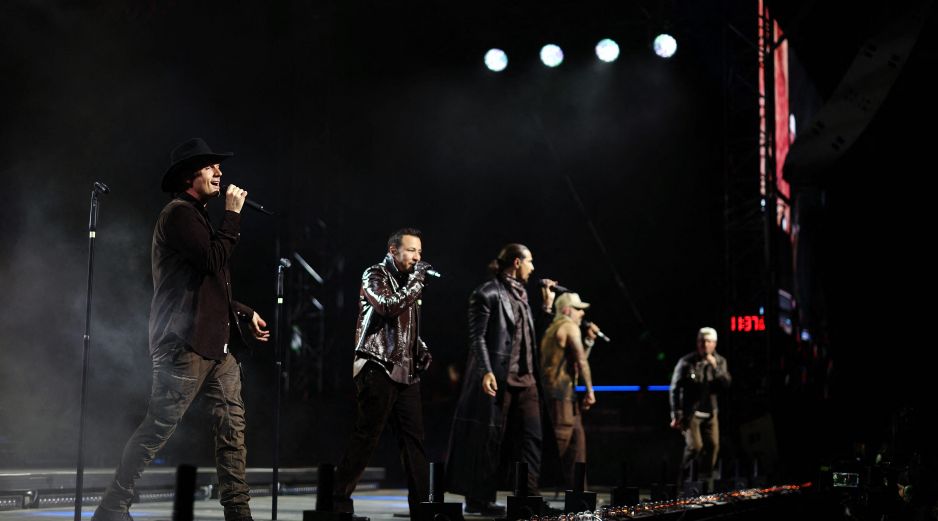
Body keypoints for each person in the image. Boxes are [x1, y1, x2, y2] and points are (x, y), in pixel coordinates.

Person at [92, 138, 269, 521]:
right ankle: (112, 507)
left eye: (218, 167)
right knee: (158, 428)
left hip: (215, 344)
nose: (220, 173)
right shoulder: (178, 214)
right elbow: (212, 258)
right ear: (190, 175)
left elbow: (206, 286)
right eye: (210, 167)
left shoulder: (200, 216)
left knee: (232, 431)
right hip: (183, 344)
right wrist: (234, 215)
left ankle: (239, 514)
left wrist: (241, 311)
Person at [446, 243, 555, 516]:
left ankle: (530, 496)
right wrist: (485, 370)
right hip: (500, 376)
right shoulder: (487, 292)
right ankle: (478, 498)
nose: (533, 267)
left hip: (526, 378)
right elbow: (477, 337)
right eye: (529, 261)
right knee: (489, 438)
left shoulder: (523, 296)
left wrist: (546, 306)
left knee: (532, 437)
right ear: (516, 262)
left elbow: (532, 337)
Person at [332, 228, 433, 519]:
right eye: (412, 250)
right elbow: (387, 308)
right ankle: (337, 503)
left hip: (406, 371)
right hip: (377, 365)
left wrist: (420, 348)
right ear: (393, 250)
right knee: (367, 437)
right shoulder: (374, 274)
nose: (417, 257)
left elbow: (405, 327)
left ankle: (423, 508)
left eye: (420, 252)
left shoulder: (409, 282)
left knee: (414, 442)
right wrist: (416, 283)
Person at [539, 292, 600, 490]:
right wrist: (590, 391)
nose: (582, 313)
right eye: (578, 309)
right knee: (559, 446)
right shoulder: (568, 326)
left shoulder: (553, 328)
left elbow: (575, 359)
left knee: (577, 446)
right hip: (561, 397)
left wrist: (589, 342)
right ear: (566, 310)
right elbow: (581, 362)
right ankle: (533, 491)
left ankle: (579, 494)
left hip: (563, 396)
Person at [669, 327, 731, 485]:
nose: (705, 345)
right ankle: (681, 483)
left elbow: (727, 385)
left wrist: (716, 368)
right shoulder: (686, 362)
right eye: (702, 341)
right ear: (697, 343)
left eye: (709, 341)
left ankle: (705, 481)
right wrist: (676, 413)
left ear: (715, 344)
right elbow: (675, 388)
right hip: (692, 413)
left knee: (713, 446)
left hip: (711, 412)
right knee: (695, 447)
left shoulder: (720, 361)